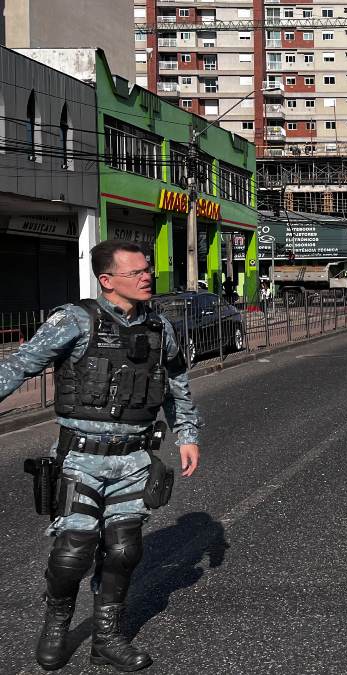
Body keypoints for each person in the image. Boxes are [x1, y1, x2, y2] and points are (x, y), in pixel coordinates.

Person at [0, 240, 201, 672]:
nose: (147, 277)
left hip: (135, 460)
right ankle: (57, 624)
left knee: (125, 550)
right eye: (136, 273)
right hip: (81, 458)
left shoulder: (160, 327)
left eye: (148, 269)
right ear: (107, 281)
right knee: (73, 552)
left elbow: (177, 379)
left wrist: (187, 433)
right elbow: (18, 365)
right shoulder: (72, 320)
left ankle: (106, 639)